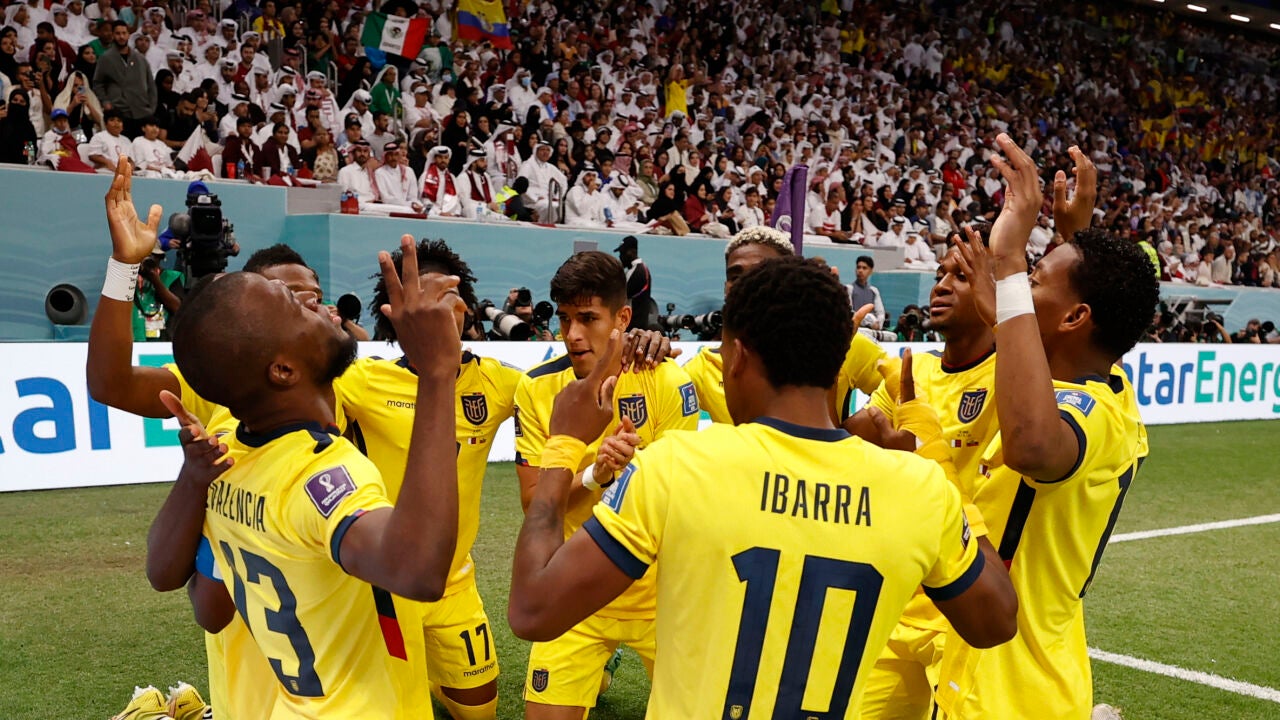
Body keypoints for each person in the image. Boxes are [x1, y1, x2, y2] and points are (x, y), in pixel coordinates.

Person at [507, 256, 1018, 718]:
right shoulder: (921, 488)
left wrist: (563, 446)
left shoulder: (676, 467)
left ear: (738, 356)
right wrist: (936, 456)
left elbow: (533, 610)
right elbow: (996, 621)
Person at [160, 231, 462, 718]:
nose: (317, 308)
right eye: (293, 306)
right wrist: (438, 372)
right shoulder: (323, 470)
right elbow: (419, 571)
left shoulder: (229, 452)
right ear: (283, 370)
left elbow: (189, 592)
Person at [942, 134, 1159, 719]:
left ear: (1076, 317)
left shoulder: (1095, 413)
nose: (1016, 290)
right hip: (979, 673)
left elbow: (1033, 446)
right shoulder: (1096, 378)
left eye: (1034, 283)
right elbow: (1067, 322)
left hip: (1018, 691)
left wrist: (1013, 260)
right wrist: (1071, 242)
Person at [512, 250, 700, 719]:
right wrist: (596, 475)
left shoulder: (668, 381)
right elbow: (535, 503)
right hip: (573, 591)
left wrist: (634, 470)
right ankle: (596, 664)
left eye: (588, 318)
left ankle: (604, 663)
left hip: (658, 596)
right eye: (565, 318)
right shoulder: (536, 388)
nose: (572, 334)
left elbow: (678, 504)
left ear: (623, 319)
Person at [681, 227, 888, 426]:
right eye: (735, 277)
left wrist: (856, 431)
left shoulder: (845, 343)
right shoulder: (704, 367)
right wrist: (658, 360)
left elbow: (902, 388)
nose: (746, 283)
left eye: (760, 273)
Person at [92, 20, 154, 136]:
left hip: (141, 111)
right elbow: (98, 83)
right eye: (118, 33)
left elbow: (151, 85)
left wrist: (151, 107)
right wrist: (105, 102)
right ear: (113, 35)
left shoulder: (140, 59)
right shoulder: (105, 58)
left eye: (124, 33)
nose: (121, 37)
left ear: (128, 35)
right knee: (121, 146)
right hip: (119, 112)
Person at [374, 141, 424, 214]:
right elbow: (386, 199)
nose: (393, 158)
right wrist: (409, 204)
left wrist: (414, 204)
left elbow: (413, 196)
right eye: (390, 155)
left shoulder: (408, 171)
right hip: (390, 207)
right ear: (385, 156)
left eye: (396, 154)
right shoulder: (379, 173)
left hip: (409, 206)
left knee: (427, 211)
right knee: (408, 210)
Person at [615, 236, 651, 331]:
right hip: (631, 324)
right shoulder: (634, 269)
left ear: (632, 252)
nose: (620, 257)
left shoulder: (639, 271)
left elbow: (622, 295)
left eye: (622, 253)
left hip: (634, 326)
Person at [848, 254, 886, 330]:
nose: (860, 270)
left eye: (864, 268)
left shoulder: (874, 291)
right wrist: (868, 322)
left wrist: (878, 324)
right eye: (858, 267)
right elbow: (849, 311)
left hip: (871, 331)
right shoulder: (849, 288)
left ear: (871, 271)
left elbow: (880, 313)